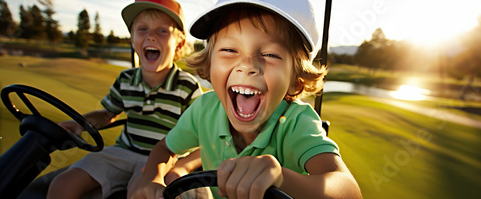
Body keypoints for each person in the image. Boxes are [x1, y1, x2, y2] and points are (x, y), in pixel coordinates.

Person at [130, 0, 363, 198]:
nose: (248, 65)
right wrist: (153, 179)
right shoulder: (203, 109)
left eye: (271, 54)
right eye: (230, 50)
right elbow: (164, 148)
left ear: (295, 79)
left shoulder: (296, 123)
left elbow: (349, 190)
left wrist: (281, 177)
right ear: (210, 65)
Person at [47, 0, 203, 198]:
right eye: (142, 29)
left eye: (162, 31)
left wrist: (182, 167)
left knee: (140, 193)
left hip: (164, 159)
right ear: (132, 39)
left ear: (179, 44)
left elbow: (204, 137)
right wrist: (82, 124)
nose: (151, 36)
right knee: (62, 185)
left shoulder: (187, 87)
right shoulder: (125, 79)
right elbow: (107, 114)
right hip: (123, 151)